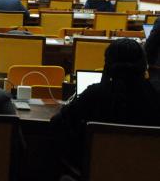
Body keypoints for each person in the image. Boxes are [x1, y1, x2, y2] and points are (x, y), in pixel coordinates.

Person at [51, 39, 160, 169]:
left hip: (96, 169)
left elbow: (57, 123)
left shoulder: (95, 94)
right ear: (144, 65)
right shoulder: (155, 95)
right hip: (146, 171)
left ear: (107, 65)